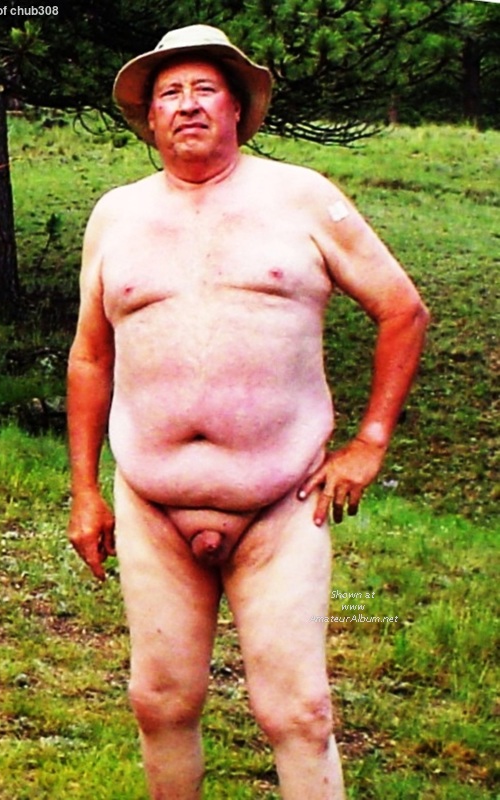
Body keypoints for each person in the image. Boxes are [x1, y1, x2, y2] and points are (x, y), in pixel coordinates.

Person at [66, 24, 429, 800]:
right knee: (160, 701)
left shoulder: (302, 197)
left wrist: (370, 441)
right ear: (150, 118)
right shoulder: (115, 215)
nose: (188, 105)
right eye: (170, 93)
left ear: (238, 108)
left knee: (298, 712)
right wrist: (85, 490)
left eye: (206, 89)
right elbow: (90, 357)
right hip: (150, 502)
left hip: (281, 503)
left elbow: (402, 310)